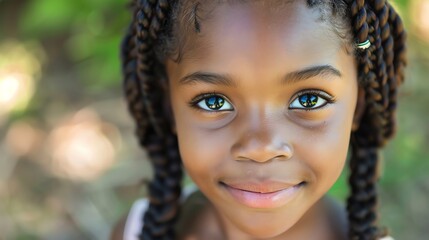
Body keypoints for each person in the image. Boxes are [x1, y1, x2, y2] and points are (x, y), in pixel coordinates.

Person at [112, 0, 406, 239]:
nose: (262, 147)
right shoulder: (135, 231)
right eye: (214, 102)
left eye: (308, 100)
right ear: (168, 107)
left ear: (359, 106)